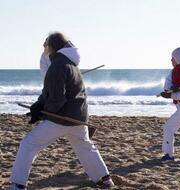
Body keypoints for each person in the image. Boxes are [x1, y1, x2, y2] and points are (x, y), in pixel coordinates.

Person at [9, 32, 114, 190]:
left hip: (62, 118)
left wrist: (41, 113)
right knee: (84, 146)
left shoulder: (57, 65)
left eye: (46, 45)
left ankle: (18, 185)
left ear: (52, 46)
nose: (45, 49)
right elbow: (49, 92)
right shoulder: (71, 64)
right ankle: (105, 179)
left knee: (28, 144)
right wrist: (39, 106)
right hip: (78, 117)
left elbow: (56, 99)